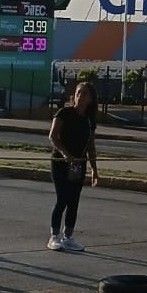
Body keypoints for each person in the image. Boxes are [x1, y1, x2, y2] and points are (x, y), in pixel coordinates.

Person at [47, 82, 100, 252]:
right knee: (62, 198)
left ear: (90, 99)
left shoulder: (90, 119)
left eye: (84, 94)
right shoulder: (64, 113)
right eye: (78, 93)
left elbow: (90, 145)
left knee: (74, 201)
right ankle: (54, 236)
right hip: (61, 163)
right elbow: (53, 136)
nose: (80, 96)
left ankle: (68, 236)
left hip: (78, 164)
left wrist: (94, 169)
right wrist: (65, 154)